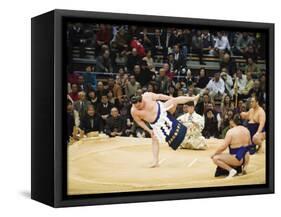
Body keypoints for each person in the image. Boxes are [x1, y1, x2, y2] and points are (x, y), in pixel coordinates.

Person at [130, 92, 199, 168]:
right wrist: (149, 130)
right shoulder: (134, 111)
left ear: (142, 100)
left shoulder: (147, 96)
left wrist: (169, 98)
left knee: (174, 100)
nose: (138, 107)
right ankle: (156, 162)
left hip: (163, 109)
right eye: (136, 106)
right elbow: (139, 122)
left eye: (139, 106)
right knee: (154, 139)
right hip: (156, 123)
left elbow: (159, 96)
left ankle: (193, 99)